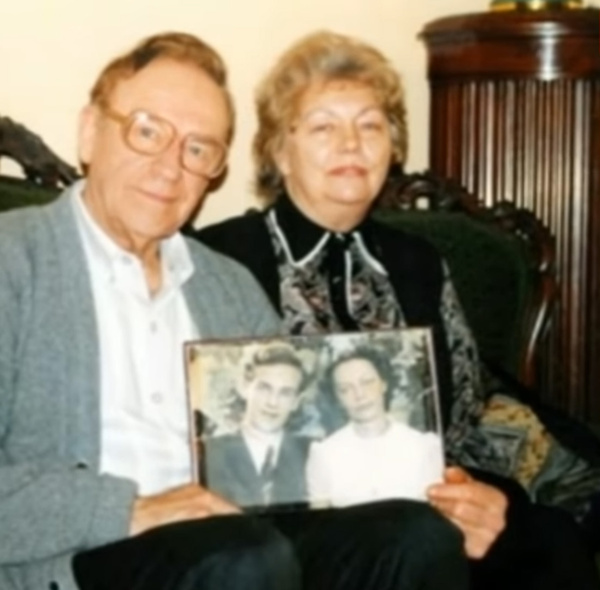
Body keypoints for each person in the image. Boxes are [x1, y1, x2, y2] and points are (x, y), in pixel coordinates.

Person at [0, 32, 470, 590]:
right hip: (63, 564)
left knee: (414, 536)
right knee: (241, 557)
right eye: (147, 132)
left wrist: (427, 487)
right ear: (90, 133)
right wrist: (132, 510)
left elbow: (294, 468)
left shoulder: (229, 286)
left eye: (198, 149)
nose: (171, 167)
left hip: (235, 549)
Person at [195, 30, 600, 589]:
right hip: (288, 527)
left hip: (425, 501)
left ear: (393, 146)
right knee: (419, 538)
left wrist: (477, 496)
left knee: (546, 537)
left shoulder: (418, 262)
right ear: (279, 152)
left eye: (370, 126)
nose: (350, 144)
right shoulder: (222, 258)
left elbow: (460, 417)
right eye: (323, 127)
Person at [307, 347, 443, 508]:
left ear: (384, 384)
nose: (359, 395)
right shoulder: (324, 454)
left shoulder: (425, 446)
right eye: (345, 389)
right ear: (337, 398)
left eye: (367, 382)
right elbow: (320, 518)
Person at [203, 343, 311, 509]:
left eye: (285, 393)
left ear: (296, 402)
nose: (272, 402)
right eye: (264, 388)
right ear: (244, 388)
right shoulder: (210, 453)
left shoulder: (312, 452)